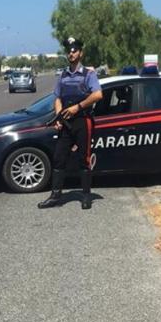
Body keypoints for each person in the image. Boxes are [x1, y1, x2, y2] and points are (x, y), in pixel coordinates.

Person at [39, 37, 103, 210]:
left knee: (84, 159)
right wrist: (59, 117)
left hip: (83, 120)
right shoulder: (63, 75)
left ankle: (86, 196)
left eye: (74, 50)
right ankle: (55, 196)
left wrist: (78, 107)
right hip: (66, 124)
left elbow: (97, 95)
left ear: (80, 53)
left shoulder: (89, 74)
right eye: (69, 50)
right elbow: (57, 97)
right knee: (59, 158)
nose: (71, 53)